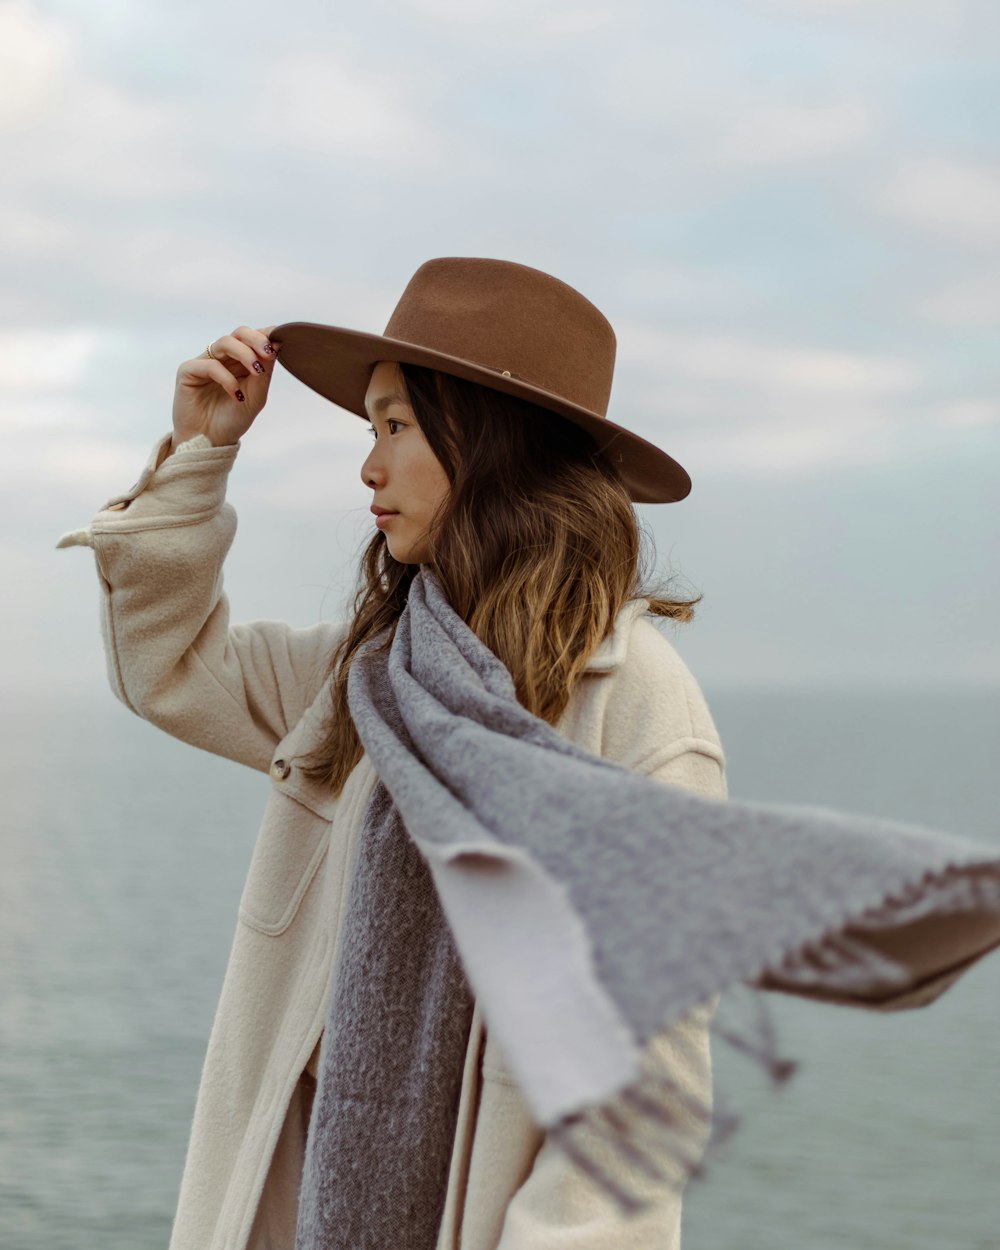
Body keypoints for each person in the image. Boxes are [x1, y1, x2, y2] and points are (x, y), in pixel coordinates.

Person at [58, 258, 728, 1250]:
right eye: (370, 428)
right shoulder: (368, 676)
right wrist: (199, 454)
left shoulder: (636, 713)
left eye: (397, 427)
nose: (368, 466)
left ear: (493, 444)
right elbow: (171, 667)